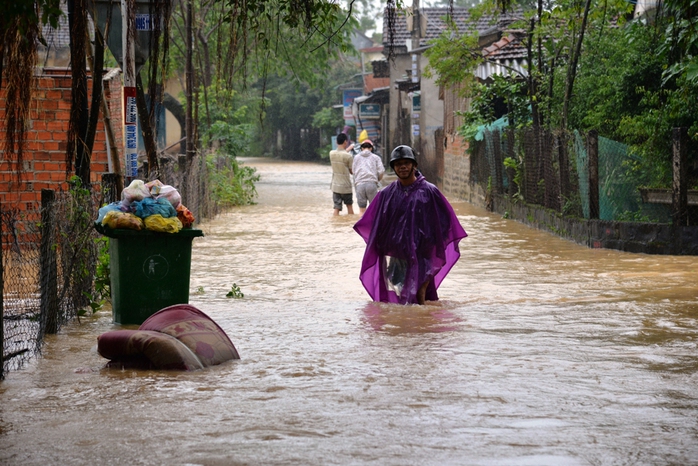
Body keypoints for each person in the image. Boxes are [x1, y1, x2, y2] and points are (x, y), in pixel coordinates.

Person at [353, 145, 467, 304]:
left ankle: (422, 326)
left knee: (420, 296)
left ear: (415, 165)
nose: (403, 167)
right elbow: (375, 224)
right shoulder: (386, 194)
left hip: (423, 256)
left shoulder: (429, 191)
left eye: (407, 162)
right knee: (401, 299)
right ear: (394, 168)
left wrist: (433, 246)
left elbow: (446, 222)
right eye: (398, 164)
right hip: (397, 256)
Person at [352, 139, 384, 214]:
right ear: (371, 148)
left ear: (362, 148)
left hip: (359, 185)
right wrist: (377, 179)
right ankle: (373, 225)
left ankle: (362, 226)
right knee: (374, 209)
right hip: (372, 184)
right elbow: (381, 171)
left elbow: (353, 171)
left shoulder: (356, 157)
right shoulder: (376, 157)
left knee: (362, 210)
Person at [330, 132, 355, 215]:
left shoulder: (331, 154)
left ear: (336, 142)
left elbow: (340, 154)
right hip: (346, 186)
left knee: (336, 207)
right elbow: (352, 172)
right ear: (345, 142)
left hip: (336, 186)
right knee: (349, 206)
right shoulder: (349, 156)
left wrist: (348, 149)